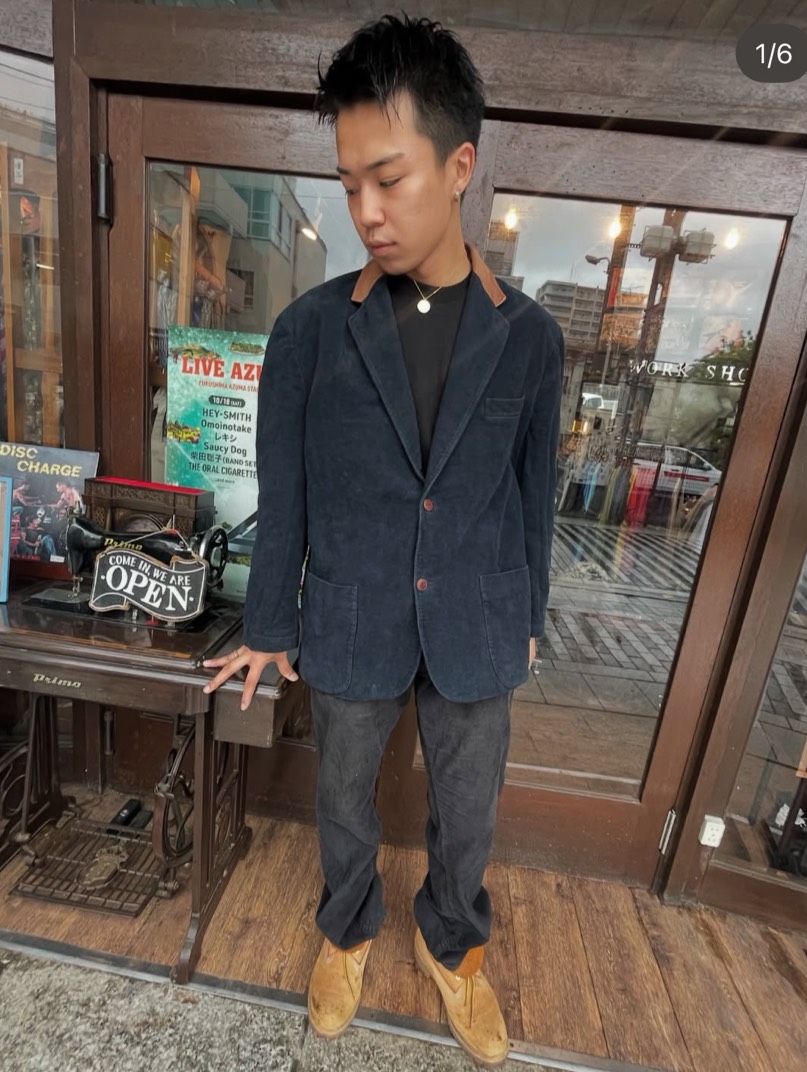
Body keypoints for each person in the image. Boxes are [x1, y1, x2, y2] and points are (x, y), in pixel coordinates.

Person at [203, 14, 562, 1067]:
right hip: (351, 607)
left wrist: (528, 613)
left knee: (468, 808)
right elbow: (285, 485)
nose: (365, 209)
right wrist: (269, 623)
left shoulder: (529, 336)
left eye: (389, 178)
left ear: (459, 167)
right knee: (342, 796)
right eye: (349, 182)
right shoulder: (310, 330)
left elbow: (532, 492)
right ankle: (348, 927)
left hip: (479, 613)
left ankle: (455, 946)